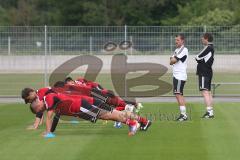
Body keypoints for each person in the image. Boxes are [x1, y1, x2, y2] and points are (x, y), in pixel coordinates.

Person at [30, 92, 151, 136]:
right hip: (83, 106)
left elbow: (50, 116)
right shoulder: (51, 103)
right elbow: (55, 117)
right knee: (112, 114)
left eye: (38, 110)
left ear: (38, 103)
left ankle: (132, 122)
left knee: (108, 115)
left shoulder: (48, 98)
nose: (40, 112)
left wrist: (48, 133)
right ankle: (142, 121)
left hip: (83, 105)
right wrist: (51, 131)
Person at [170, 34, 188, 121]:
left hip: (180, 76)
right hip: (176, 75)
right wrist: (172, 60)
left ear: (182, 41)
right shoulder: (177, 50)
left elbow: (172, 60)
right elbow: (171, 60)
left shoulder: (183, 49)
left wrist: (172, 60)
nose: (176, 41)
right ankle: (183, 114)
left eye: (177, 40)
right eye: (175, 40)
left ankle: (183, 115)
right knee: (179, 94)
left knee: (178, 94)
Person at [195, 33, 214, 118]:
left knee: (205, 92)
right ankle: (210, 111)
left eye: (202, 38)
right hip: (208, 71)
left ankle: (209, 112)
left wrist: (199, 59)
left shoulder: (208, 47)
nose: (201, 40)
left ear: (206, 38)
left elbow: (197, 57)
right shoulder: (211, 47)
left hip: (204, 72)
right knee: (208, 92)